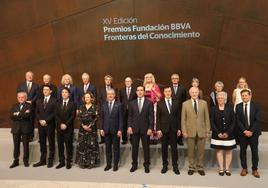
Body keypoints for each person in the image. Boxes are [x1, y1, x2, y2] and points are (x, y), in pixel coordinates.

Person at [181, 87, 210, 176]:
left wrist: (207, 130)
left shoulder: (204, 103)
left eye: (196, 92)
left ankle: (200, 167)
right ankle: (191, 167)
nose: (194, 94)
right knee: (191, 151)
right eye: (192, 92)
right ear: (190, 93)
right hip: (190, 131)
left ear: (198, 93)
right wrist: (184, 131)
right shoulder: (185, 104)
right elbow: (183, 119)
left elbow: (207, 118)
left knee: (201, 151)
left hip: (201, 130)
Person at [128, 86, 154, 173]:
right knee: (134, 148)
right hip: (134, 129)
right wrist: (129, 126)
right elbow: (130, 116)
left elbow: (151, 117)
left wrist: (150, 128)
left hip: (145, 129)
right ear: (136, 92)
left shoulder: (149, 103)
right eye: (138, 90)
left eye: (141, 90)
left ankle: (146, 165)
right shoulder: (132, 103)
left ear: (144, 92)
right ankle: (134, 165)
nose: (139, 92)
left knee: (146, 148)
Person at [236, 89, 261, 178]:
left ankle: (255, 169)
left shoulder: (256, 105)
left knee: (255, 152)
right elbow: (238, 120)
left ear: (250, 96)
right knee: (242, 151)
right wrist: (245, 131)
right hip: (243, 133)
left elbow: (258, 120)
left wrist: (251, 131)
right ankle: (244, 168)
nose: (244, 97)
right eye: (243, 96)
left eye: (246, 95)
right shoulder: (238, 106)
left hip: (254, 133)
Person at [156, 86, 181, 175]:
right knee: (164, 148)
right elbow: (158, 118)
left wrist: (179, 128)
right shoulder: (159, 103)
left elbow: (178, 117)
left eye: (169, 91)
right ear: (163, 93)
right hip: (163, 129)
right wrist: (158, 129)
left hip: (174, 128)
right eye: (166, 91)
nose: (167, 93)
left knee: (174, 148)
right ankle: (165, 165)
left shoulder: (177, 103)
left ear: (171, 92)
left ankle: (175, 166)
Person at [210, 92, 236, 176]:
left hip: (229, 134)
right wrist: (218, 133)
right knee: (219, 151)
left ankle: (227, 169)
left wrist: (228, 132)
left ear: (225, 99)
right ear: (216, 99)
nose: (220, 99)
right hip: (217, 134)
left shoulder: (230, 108)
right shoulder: (213, 109)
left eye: (222, 98)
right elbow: (212, 122)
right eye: (218, 98)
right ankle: (221, 169)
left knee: (228, 151)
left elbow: (233, 121)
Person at [33, 85, 57, 168]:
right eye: (44, 90)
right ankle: (42, 160)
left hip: (50, 124)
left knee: (51, 142)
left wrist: (46, 121)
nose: (45, 91)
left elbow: (54, 113)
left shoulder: (54, 101)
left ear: (50, 91)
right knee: (42, 143)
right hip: (41, 125)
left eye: (47, 90)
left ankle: (50, 160)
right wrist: (40, 120)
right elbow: (37, 112)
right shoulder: (39, 101)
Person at [100, 89, 123, 171]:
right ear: (107, 95)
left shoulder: (119, 105)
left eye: (112, 94)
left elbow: (121, 118)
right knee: (108, 148)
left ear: (114, 95)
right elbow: (102, 118)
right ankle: (108, 164)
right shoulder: (103, 105)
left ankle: (115, 164)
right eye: (108, 94)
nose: (110, 95)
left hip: (116, 130)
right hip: (106, 130)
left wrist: (120, 130)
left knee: (116, 149)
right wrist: (101, 129)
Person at [76, 92, 100, 169]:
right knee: (82, 145)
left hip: (91, 130)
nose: (87, 99)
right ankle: (83, 162)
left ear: (91, 98)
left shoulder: (95, 107)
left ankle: (91, 162)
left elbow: (96, 118)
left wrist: (89, 126)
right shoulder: (81, 107)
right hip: (82, 130)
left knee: (91, 146)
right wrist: (83, 126)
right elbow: (78, 117)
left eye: (88, 97)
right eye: (85, 97)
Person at [55, 87, 76, 169]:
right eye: (62, 92)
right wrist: (61, 124)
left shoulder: (72, 104)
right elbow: (56, 115)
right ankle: (61, 161)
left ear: (69, 94)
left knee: (68, 145)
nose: (64, 94)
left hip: (68, 128)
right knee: (60, 145)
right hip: (59, 127)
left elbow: (72, 116)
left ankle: (68, 162)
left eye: (66, 92)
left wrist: (66, 124)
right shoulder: (58, 103)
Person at [9, 92, 32, 168]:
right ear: (17, 98)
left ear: (25, 98)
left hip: (25, 128)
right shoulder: (14, 106)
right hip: (16, 128)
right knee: (16, 146)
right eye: (19, 97)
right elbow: (11, 116)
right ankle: (16, 160)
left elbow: (27, 115)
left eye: (22, 97)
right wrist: (22, 114)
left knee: (26, 145)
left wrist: (17, 114)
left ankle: (26, 160)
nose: (21, 99)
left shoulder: (29, 106)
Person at [17, 71, 39, 140]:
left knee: (31, 121)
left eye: (31, 75)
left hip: (32, 106)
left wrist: (32, 101)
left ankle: (30, 137)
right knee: (23, 121)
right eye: (28, 75)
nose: (29, 77)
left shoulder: (36, 85)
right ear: (25, 76)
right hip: (23, 105)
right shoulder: (21, 85)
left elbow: (38, 95)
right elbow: (18, 93)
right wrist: (24, 100)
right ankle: (23, 136)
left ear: (33, 77)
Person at [98, 75, 117, 144]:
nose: (108, 81)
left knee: (111, 123)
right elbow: (99, 100)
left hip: (112, 108)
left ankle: (111, 139)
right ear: (104, 81)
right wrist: (99, 109)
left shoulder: (114, 88)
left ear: (111, 81)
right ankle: (103, 139)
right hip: (103, 109)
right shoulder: (101, 89)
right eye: (106, 80)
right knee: (102, 123)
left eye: (109, 80)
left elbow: (116, 99)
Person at [143, 73, 162, 143]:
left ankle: (155, 137)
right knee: (147, 120)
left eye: (150, 77)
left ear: (152, 78)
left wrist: (154, 90)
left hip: (153, 105)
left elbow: (160, 96)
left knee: (154, 120)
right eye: (147, 77)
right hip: (145, 106)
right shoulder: (144, 86)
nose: (148, 78)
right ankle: (149, 136)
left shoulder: (155, 86)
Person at [119, 77, 137, 144]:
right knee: (124, 124)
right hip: (124, 110)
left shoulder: (135, 90)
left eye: (129, 81)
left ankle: (132, 138)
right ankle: (124, 139)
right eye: (126, 81)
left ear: (131, 82)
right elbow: (120, 101)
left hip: (133, 110)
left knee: (132, 124)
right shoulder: (121, 90)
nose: (127, 82)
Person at [170, 73, 186, 146]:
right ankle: (170, 139)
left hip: (180, 108)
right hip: (171, 109)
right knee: (172, 123)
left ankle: (179, 139)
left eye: (176, 78)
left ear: (178, 79)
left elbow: (184, 99)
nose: (174, 79)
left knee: (180, 123)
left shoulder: (183, 88)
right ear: (171, 79)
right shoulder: (168, 88)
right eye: (173, 78)